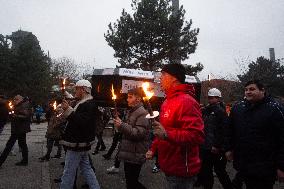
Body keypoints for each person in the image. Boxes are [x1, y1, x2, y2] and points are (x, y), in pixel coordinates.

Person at [146, 63, 204, 189]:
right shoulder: (167, 101)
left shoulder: (187, 101)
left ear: (174, 78)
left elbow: (197, 136)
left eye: (163, 75)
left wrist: (167, 134)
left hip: (182, 170)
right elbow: (161, 130)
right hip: (169, 165)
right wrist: (153, 148)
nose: (160, 78)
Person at [224, 80, 284, 189]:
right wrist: (228, 148)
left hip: (265, 167)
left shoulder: (275, 109)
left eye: (252, 89)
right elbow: (229, 130)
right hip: (243, 164)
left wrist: (282, 166)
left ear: (262, 91)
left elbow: (282, 139)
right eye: (246, 90)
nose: (248, 92)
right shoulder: (238, 108)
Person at [59, 79, 100, 189]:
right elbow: (72, 99)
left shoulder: (89, 104)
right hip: (81, 143)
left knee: (68, 172)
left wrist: (68, 109)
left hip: (77, 143)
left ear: (83, 89)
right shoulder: (84, 102)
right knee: (87, 169)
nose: (75, 91)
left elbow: (82, 122)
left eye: (77, 89)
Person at [113, 87, 151, 189]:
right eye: (127, 97)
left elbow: (138, 134)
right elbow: (128, 130)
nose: (127, 99)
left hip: (135, 153)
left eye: (130, 97)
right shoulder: (132, 111)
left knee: (132, 183)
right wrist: (120, 125)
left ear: (138, 99)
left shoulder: (143, 113)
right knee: (130, 183)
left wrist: (122, 125)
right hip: (130, 153)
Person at [197, 88, 232, 189]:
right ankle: (206, 185)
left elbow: (223, 130)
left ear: (219, 98)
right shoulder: (207, 110)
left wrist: (217, 145)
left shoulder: (221, 112)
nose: (211, 99)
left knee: (220, 170)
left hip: (215, 148)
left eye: (213, 97)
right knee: (206, 170)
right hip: (206, 146)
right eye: (209, 97)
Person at [0, 95, 32, 167]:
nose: (14, 101)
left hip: (19, 128)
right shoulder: (19, 105)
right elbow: (15, 114)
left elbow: (26, 115)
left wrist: (16, 116)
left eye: (16, 99)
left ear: (20, 99)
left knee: (9, 145)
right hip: (18, 128)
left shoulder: (24, 105)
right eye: (14, 99)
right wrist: (11, 113)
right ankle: (25, 161)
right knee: (22, 144)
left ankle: (0, 161)